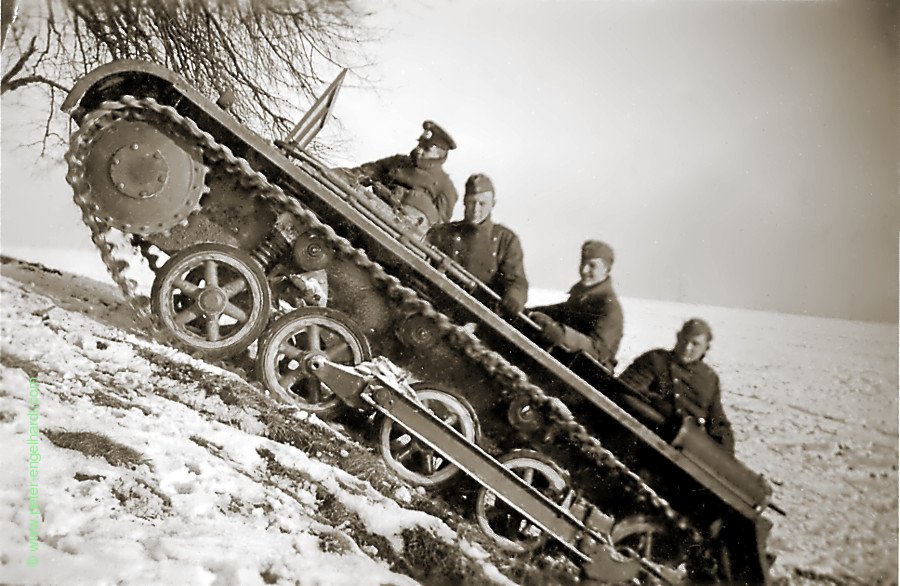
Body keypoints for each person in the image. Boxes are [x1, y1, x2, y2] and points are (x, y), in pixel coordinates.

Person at [617, 318, 735, 453]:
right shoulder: (655, 359)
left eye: (695, 344)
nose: (687, 347)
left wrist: (727, 454)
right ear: (678, 336)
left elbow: (718, 424)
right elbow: (625, 390)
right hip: (647, 440)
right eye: (685, 340)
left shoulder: (709, 378)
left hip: (686, 450)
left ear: (705, 349)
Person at [426, 173, 528, 314]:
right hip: (440, 309)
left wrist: (514, 299)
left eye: (482, 204)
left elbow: (516, 280)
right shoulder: (442, 233)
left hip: (482, 315)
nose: (476, 209)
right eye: (471, 203)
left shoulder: (505, 240)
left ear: (493, 204)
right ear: (464, 202)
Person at [340, 120, 458, 229]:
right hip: (369, 209)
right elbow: (364, 172)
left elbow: (438, 228)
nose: (419, 149)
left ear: (440, 154)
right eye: (420, 144)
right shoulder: (398, 162)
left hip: (399, 231)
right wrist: (343, 176)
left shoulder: (445, 186)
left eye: (426, 148)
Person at [528, 240, 623, 369]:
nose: (584, 270)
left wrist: (562, 334)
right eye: (583, 263)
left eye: (592, 265)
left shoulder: (609, 307)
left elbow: (599, 351)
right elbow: (559, 311)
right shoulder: (581, 297)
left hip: (587, 377)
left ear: (606, 269)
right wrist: (528, 312)